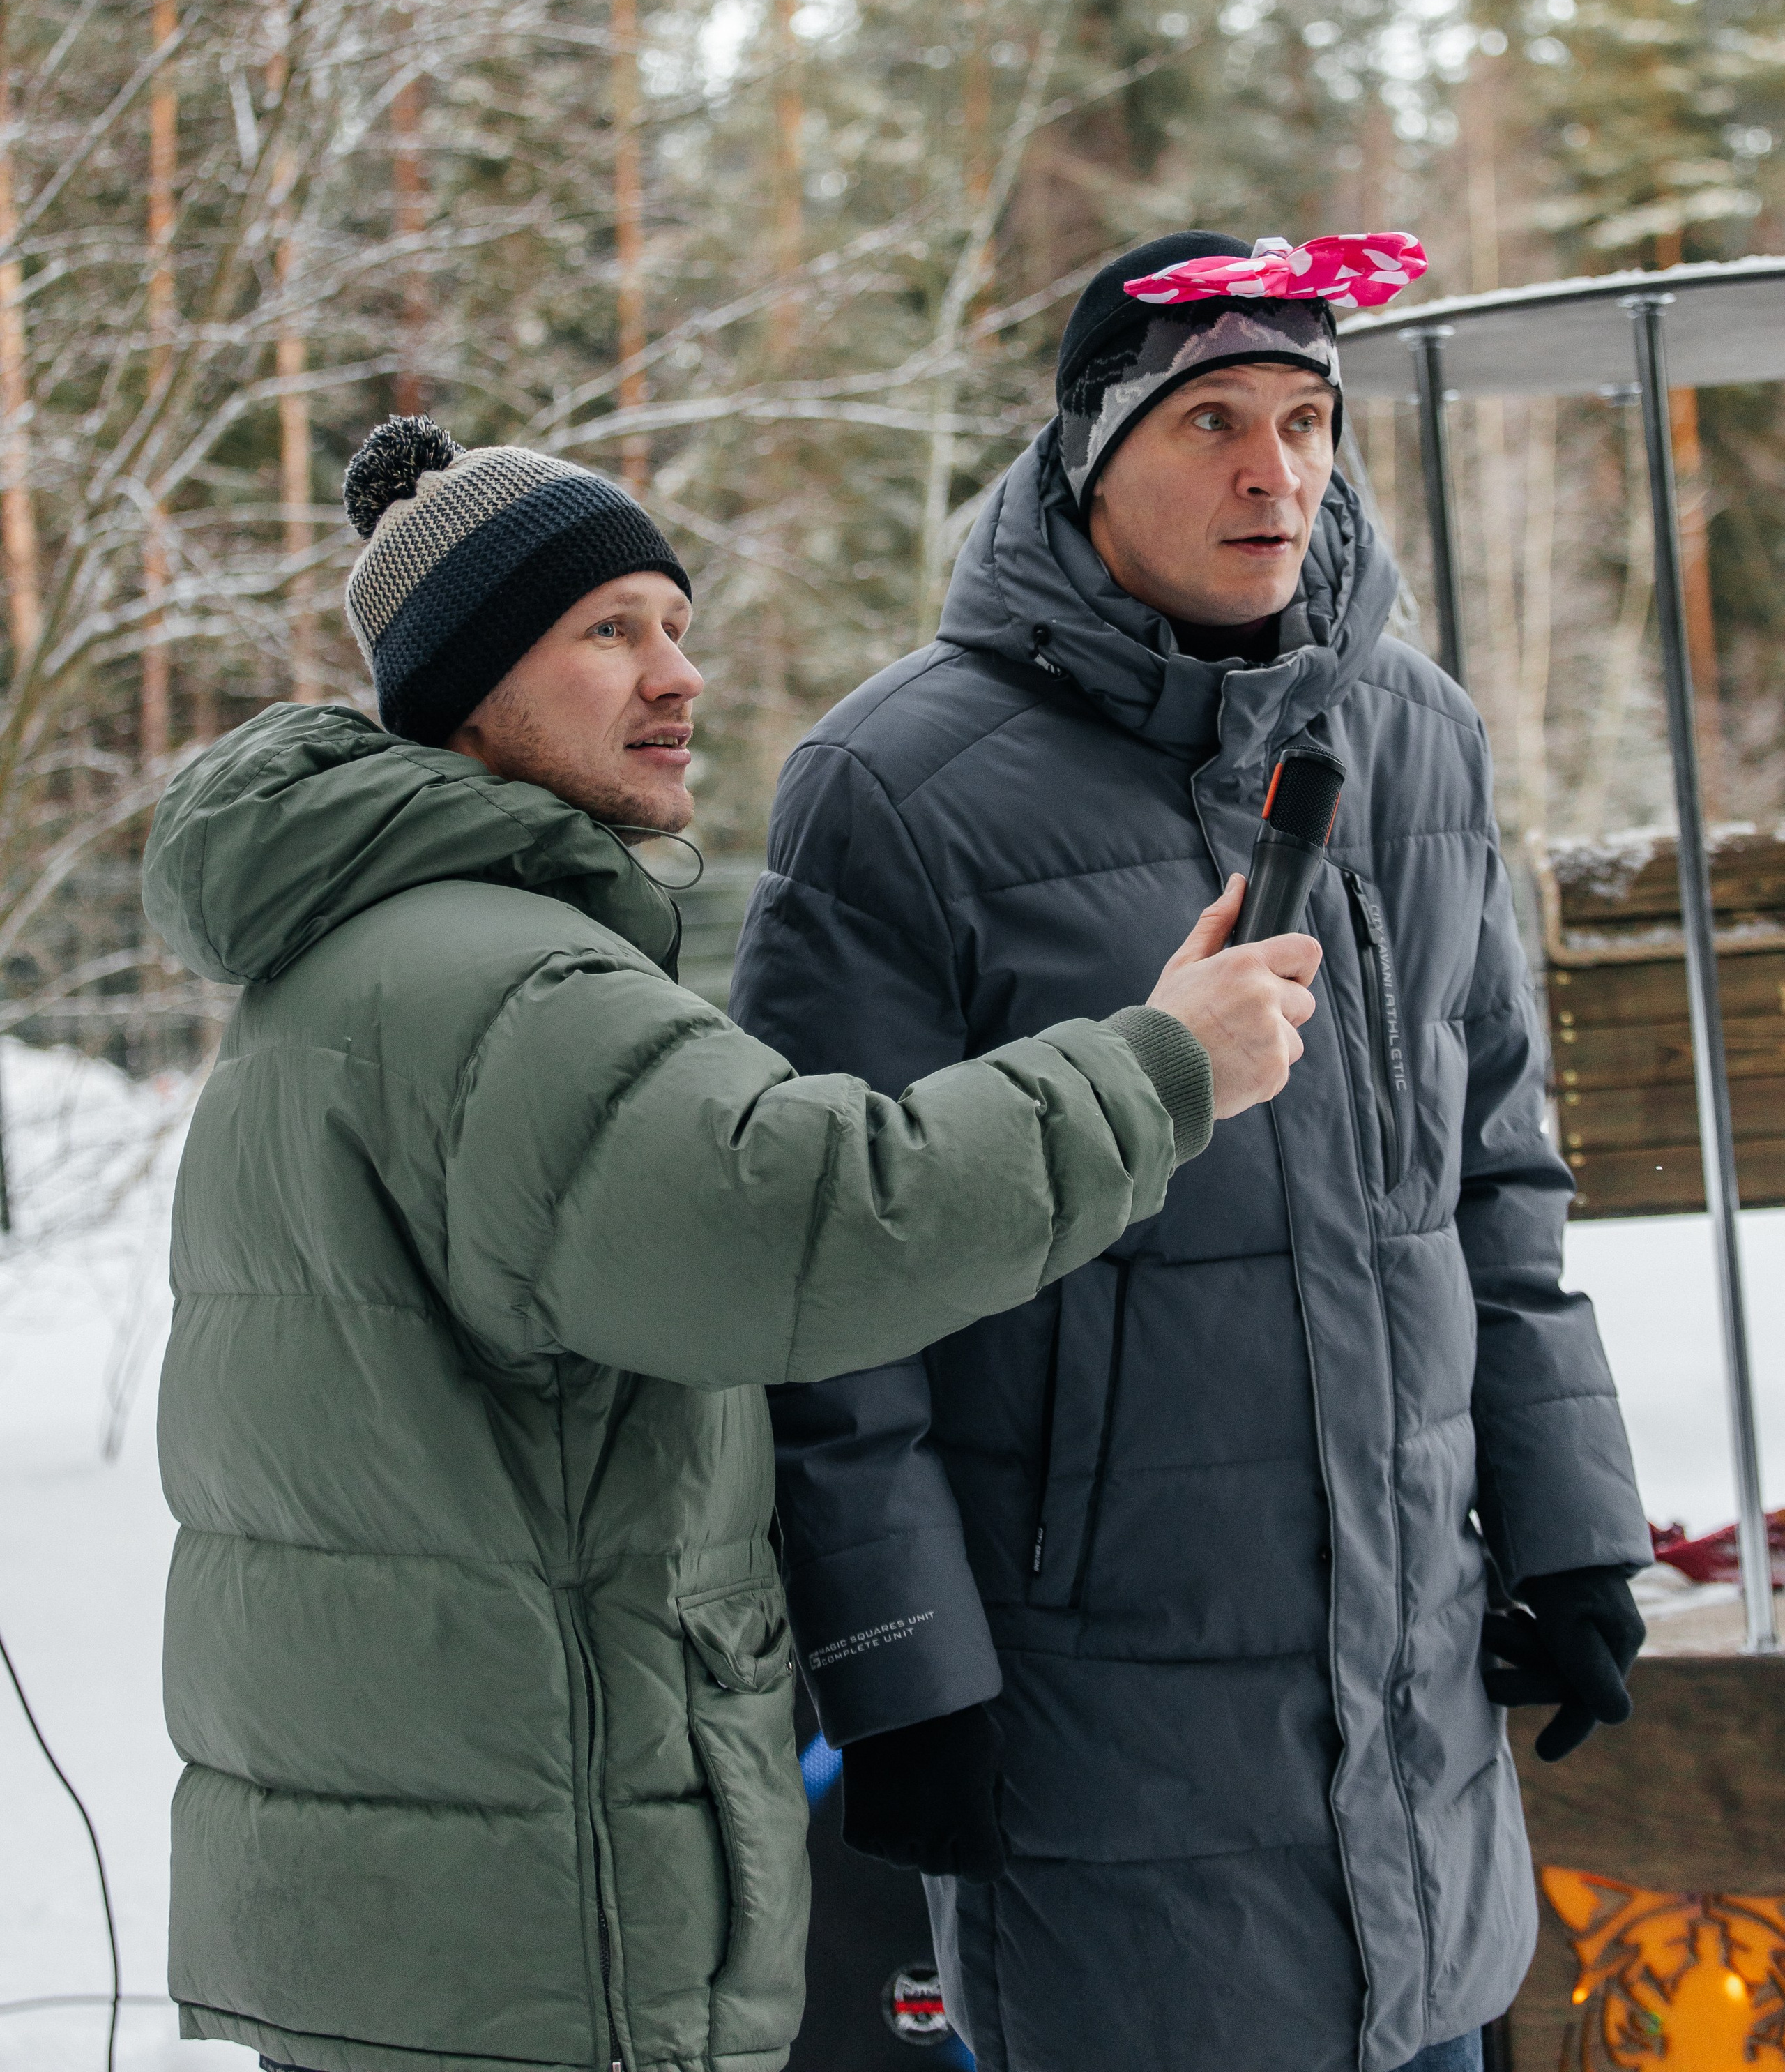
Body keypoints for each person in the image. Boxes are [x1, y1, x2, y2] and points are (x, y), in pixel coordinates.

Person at [142, 414, 1321, 2072]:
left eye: (676, 625)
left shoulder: (343, 965)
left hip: (402, 1900)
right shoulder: (508, 991)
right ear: (465, 688)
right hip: (537, 1925)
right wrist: (1162, 1064)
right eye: (606, 633)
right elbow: (815, 1222)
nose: (674, 675)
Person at [730, 230, 1653, 2072]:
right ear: (1084, 450)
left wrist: (1573, 1526)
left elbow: (1494, 1169)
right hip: (1099, 1726)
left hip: (1411, 1724)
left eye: (1309, 418)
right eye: (1212, 418)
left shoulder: (1419, 738)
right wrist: (902, 1668)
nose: (1276, 470)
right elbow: (826, 1278)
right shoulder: (896, 788)